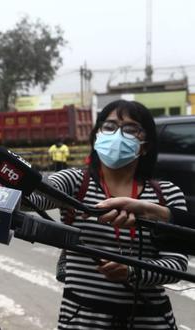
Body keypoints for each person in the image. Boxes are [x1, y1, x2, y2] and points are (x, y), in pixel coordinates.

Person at [27, 100, 188, 329]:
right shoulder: (75, 182)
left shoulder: (167, 195)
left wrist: (132, 270)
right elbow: (35, 198)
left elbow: (177, 264)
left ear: (145, 145)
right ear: (97, 136)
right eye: (110, 126)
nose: (117, 135)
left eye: (130, 129)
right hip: (82, 320)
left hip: (150, 320)